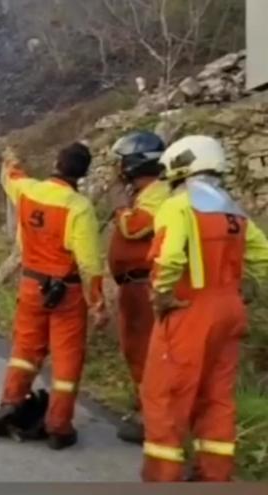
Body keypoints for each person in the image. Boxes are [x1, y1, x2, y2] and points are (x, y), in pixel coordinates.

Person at [140, 135, 268, 482]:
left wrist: (162, 292)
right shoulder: (233, 210)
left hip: (190, 311)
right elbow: (262, 256)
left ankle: (162, 479)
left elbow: (169, 256)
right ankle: (214, 477)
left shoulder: (179, 205)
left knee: (165, 400)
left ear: (182, 164)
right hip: (229, 310)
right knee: (217, 399)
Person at [0, 143, 108, 450]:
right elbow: (90, 264)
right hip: (66, 292)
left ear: (56, 162)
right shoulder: (78, 207)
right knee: (67, 359)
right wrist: (97, 303)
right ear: (83, 172)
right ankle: (59, 426)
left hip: (30, 284)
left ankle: (11, 402)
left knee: (25, 349)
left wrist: (10, 159)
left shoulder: (28, 190)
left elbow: (10, 177)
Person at [106, 132, 171, 444]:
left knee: (146, 351)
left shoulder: (157, 193)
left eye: (121, 161)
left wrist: (119, 208)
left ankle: (152, 417)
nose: (118, 168)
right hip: (134, 286)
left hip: (144, 284)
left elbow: (134, 228)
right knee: (136, 349)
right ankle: (146, 403)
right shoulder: (146, 192)